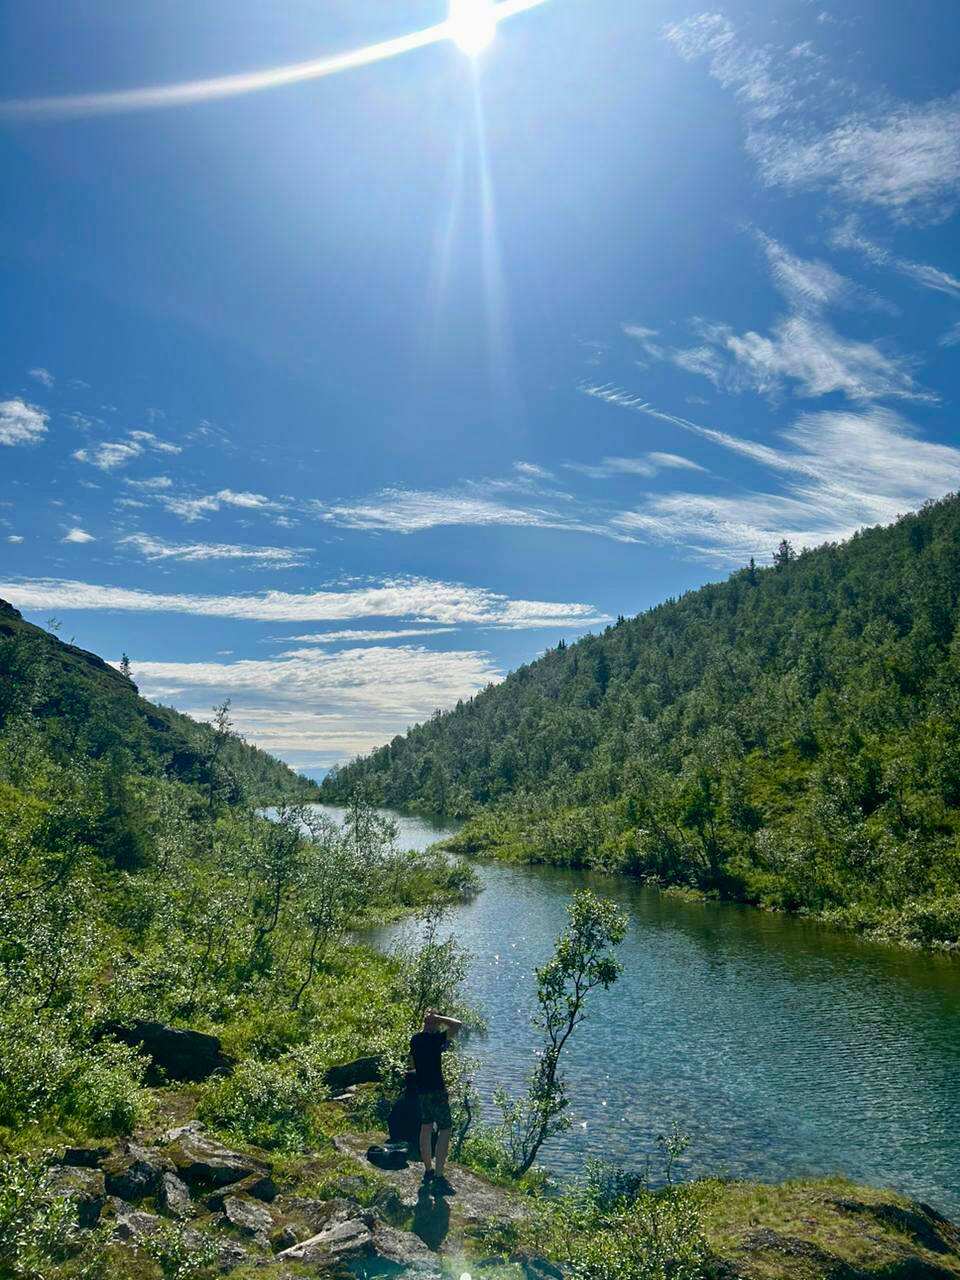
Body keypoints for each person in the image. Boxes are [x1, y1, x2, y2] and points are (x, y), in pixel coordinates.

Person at [409, 1008, 462, 1192]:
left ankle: (428, 1170)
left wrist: (431, 1020)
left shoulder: (415, 1040)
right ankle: (439, 1175)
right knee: (445, 1130)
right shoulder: (435, 1040)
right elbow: (457, 1025)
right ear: (434, 1023)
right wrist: (438, 1017)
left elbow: (413, 1065)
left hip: (422, 1091)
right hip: (437, 1091)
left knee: (425, 1128)